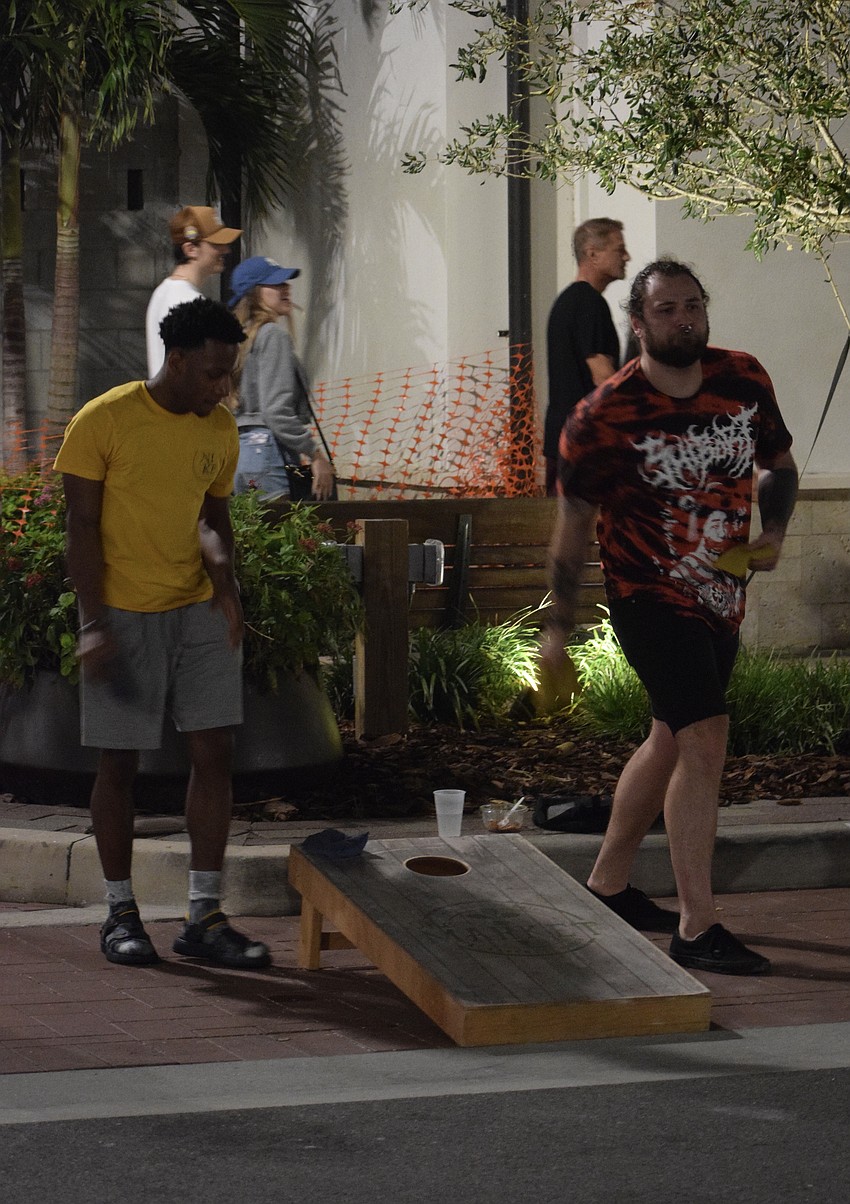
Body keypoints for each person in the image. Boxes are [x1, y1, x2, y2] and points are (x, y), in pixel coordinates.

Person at [542, 258, 798, 976]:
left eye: (693, 305)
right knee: (705, 737)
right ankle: (696, 925)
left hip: (721, 594)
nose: (684, 319)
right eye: (666, 309)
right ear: (638, 322)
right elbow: (571, 527)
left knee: (667, 738)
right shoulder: (604, 414)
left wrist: (774, 533)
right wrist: (557, 631)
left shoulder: (743, 378)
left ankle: (608, 884)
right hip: (647, 595)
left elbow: (778, 464)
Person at [55, 297, 271, 971]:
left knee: (215, 752)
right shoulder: (104, 420)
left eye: (230, 373)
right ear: (176, 360)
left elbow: (213, 517)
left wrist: (227, 587)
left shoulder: (220, 428)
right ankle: (121, 912)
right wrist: (94, 623)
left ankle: (204, 915)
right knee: (119, 763)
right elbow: (80, 528)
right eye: (212, 373)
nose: (223, 388)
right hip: (121, 610)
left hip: (196, 607)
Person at [227, 255, 335, 500]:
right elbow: (276, 411)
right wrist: (315, 454)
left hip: (243, 455)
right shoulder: (273, 335)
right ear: (255, 293)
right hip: (269, 454)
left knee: (254, 526)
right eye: (276, 284)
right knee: (284, 526)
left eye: (285, 282)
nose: (286, 288)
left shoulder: (242, 339)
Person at [544, 218, 631, 495]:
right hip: (583, 446)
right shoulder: (589, 303)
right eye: (619, 249)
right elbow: (603, 378)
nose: (627, 257)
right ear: (592, 254)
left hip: (565, 441)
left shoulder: (569, 300)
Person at [145, 206, 241, 378]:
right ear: (190, 249)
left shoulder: (162, 292)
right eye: (216, 244)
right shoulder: (190, 302)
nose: (226, 250)